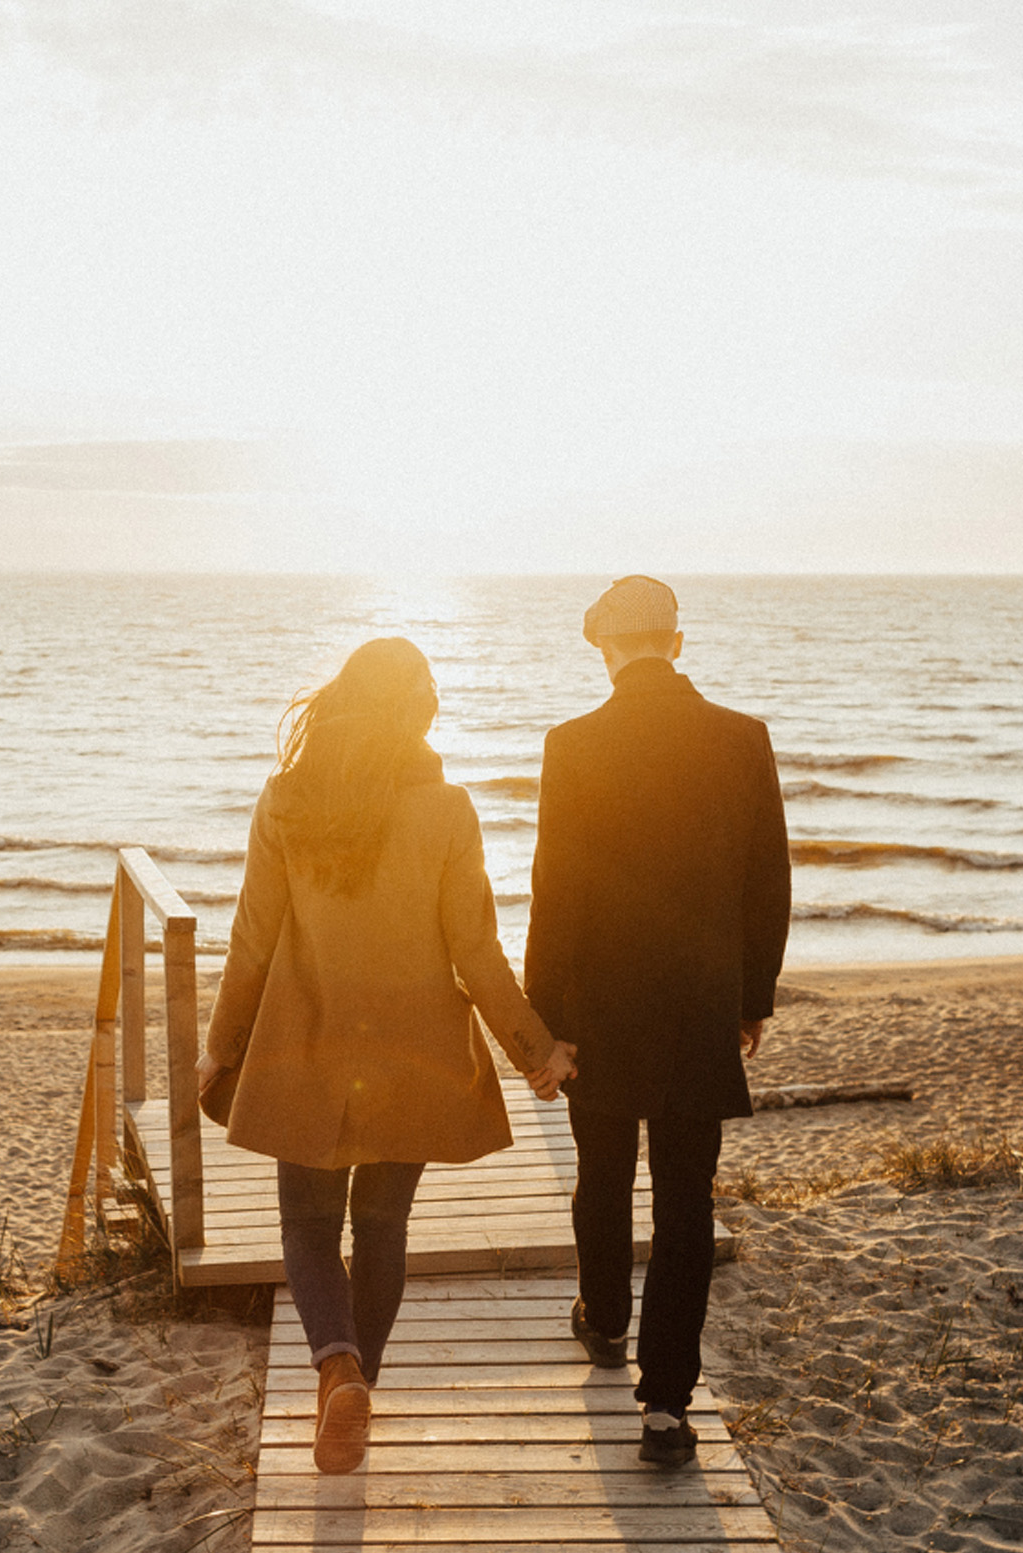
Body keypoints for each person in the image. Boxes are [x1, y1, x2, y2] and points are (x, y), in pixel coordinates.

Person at [197, 637, 576, 1475]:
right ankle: (357, 1378)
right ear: (419, 715)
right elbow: (477, 956)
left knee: (305, 1223)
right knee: (383, 1225)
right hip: (416, 1054)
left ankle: (338, 1369)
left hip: (307, 1045)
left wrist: (219, 1047)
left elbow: (252, 942)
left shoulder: (287, 801)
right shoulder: (449, 811)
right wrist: (535, 1050)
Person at [524, 576, 790, 1466]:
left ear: (606, 649)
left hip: (599, 1008)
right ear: (676, 643)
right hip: (698, 1005)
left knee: (601, 1175)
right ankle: (667, 1406)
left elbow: (552, 893)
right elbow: (768, 883)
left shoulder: (572, 745)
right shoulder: (741, 739)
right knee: (684, 1203)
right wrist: (751, 998)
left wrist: (545, 1021)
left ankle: (603, 1318)